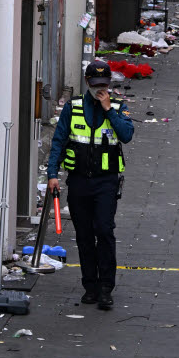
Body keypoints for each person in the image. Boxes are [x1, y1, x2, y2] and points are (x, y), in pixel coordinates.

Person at [47, 59, 134, 310]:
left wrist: (108, 109)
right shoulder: (72, 107)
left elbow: (126, 136)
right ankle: (90, 286)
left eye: (104, 85)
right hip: (78, 182)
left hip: (106, 181)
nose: (100, 89)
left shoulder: (117, 106)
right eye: (96, 85)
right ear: (87, 83)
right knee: (84, 235)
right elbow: (59, 141)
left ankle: (106, 287)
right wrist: (53, 173)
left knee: (104, 231)